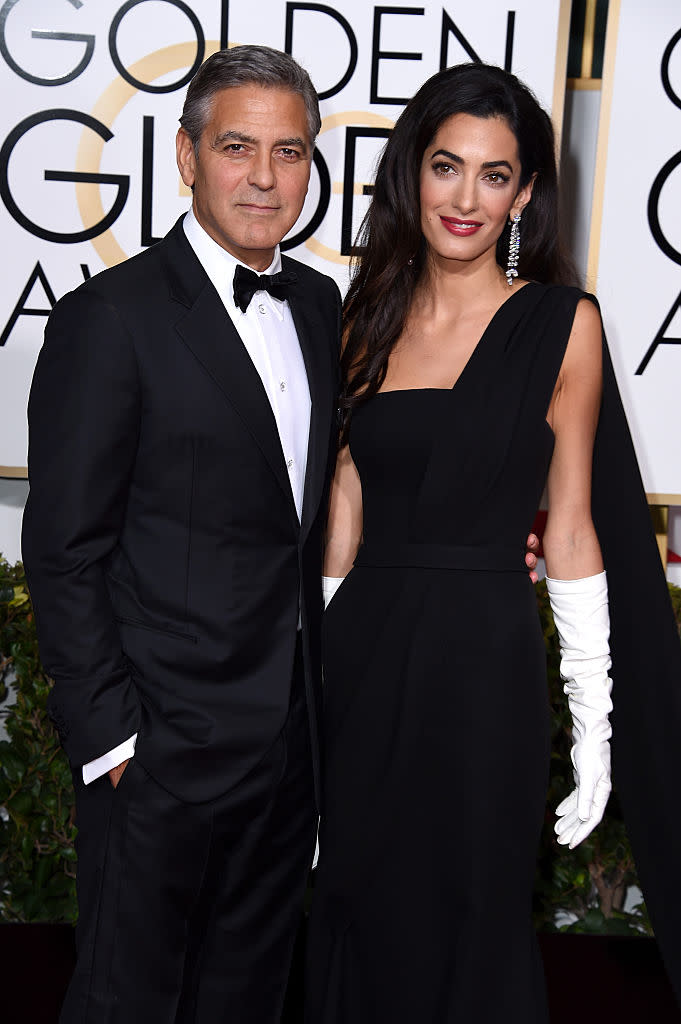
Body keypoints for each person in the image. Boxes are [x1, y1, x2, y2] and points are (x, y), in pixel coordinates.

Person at [305, 63, 681, 1022]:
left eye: (494, 174)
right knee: (351, 902)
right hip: (362, 664)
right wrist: (302, 688)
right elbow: (342, 513)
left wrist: (593, 725)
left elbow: (571, 526)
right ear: (411, 174)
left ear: (523, 193)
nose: (465, 198)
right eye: (445, 166)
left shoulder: (563, 324)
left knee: (474, 905)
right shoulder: (362, 321)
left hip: (485, 666)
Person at [21, 45, 342, 1023]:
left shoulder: (324, 308)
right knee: (127, 1002)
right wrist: (113, 738)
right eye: (237, 146)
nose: (263, 175)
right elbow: (64, 546)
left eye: (289, 152)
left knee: (244, 1001)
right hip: (157, 755)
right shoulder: (110, 319)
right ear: (186, 155)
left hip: (288, 756)